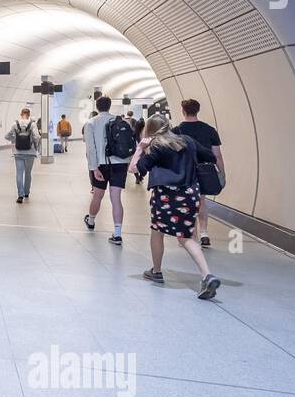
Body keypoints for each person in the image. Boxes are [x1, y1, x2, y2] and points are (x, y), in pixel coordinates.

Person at [130, 114, 221, 299]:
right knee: (186, 237)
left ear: (150, 130)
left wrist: (140, 148)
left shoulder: (156, 146)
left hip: (165, 196)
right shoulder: (187, 140)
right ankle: (207, 275)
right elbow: (211, 156)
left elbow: (135, 168)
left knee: (157, 231)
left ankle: (156, 271)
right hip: (190, 194)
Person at [172, 100, 224, 247]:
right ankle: (204, 233)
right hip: (204, 172)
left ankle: (190, 235)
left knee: (187, 202)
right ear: (198, 110)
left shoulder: (176, 131)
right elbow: (217, 155)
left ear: (183, 111)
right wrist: (222, 173)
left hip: (184, 172)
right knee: (201, 201)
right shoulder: (209, 130)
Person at [83, 96, 133, 244]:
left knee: (97, 196)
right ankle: (117, 234)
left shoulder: (91, 123)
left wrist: (93, 168)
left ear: (97, 107)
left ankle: (91, 221)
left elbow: (91, 148)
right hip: (120, 163)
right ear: (109, 106)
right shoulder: (119, 121)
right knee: (116, 198)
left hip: (101, 164)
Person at [5, 107, 39, 203]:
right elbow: (37, 137)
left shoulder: (15, 124)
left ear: (21, 114)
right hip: (30, 153)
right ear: (29, 115)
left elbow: (7, 136)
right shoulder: (32, 124)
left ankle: (20, 196)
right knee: (28, 173)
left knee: (19, 173)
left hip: (18, 152)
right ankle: (26, 192)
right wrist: (36, 147)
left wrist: (14, 140)